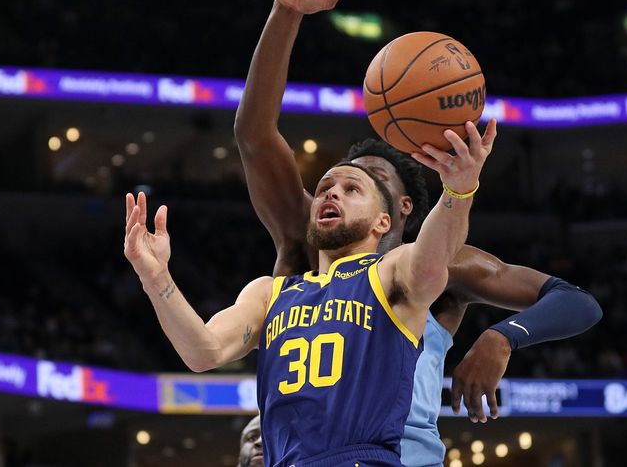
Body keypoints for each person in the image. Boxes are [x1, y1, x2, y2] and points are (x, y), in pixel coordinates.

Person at [233, 0, 603, 464]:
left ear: (400, 210)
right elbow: (254, 134)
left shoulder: (442, 268)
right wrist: (286, 12)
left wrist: (502, 338)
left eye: (363, 181)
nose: (335, 190)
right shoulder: (304, 247)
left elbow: (578, 301)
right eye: (333, 184)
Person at [124, 114, 496, 465]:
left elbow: (433, 258)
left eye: (352, 189)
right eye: (324, 189)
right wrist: (157, 280)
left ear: (384, 222)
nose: (331, 194)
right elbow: (203, 352)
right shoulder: (270, 293)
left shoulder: (389, 275)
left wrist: (459, 190)